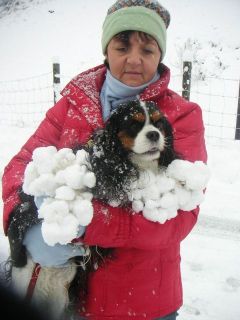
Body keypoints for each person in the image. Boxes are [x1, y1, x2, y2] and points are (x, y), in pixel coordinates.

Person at [2, 0, 207, 319]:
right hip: (64, 298)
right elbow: (21, 168)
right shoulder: (72, 104)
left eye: (148, 49)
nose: (134, 59)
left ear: (160, 56)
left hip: (141, 302)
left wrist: (83, 224)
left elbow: (179, 216)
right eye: (122, 46)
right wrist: (31, 227)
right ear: (107, 49)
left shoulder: (181, 115)